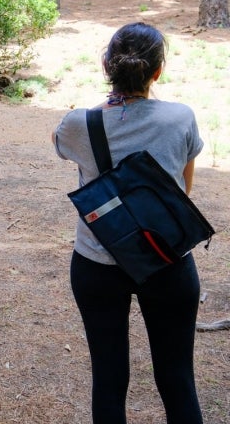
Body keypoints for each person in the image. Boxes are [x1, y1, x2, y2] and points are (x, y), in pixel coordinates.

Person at [52, 22, 204, 424]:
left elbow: (62, 149)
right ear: (158, 71)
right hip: (167, 260)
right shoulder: (181, 118)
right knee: (177, 379)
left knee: (108, 378)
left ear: (107, 65)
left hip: (97, 263)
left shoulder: (77, 123)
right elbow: (182, 191)